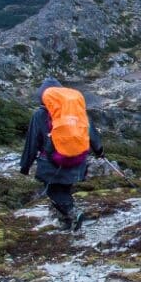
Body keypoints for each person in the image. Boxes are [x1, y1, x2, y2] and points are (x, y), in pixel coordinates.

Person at [20, 78, 103, 231]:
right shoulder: (77, 111)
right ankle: (67, 223)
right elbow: (90, 132)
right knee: (64, 189)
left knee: (52, 190)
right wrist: (99, 151)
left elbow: (32, 141)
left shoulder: (40, 114)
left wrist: (25, 165)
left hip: (52, 162)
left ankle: (73, 212)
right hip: (77, 159)